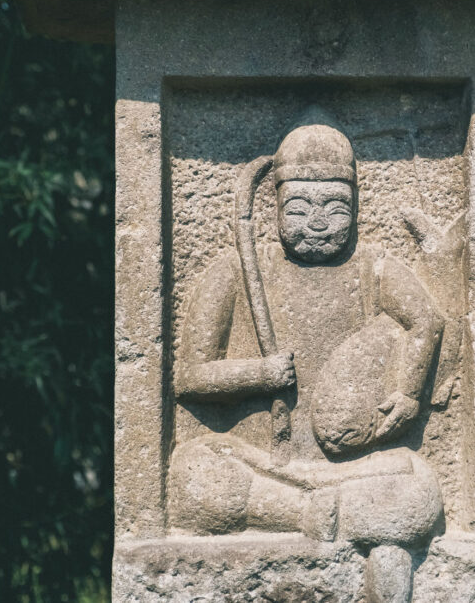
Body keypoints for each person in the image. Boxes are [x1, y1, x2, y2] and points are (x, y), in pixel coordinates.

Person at [168, 110, 444, 601]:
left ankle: (337, 513)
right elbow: (189, 377)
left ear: (356, 207)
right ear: (275, 206)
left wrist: (407, 392)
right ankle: (314, 516)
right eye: (298, 209)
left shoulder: (373, 267)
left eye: (335, 209)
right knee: (191, 471)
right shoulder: (236, 270)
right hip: (266, 466)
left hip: (353, 467)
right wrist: (260, 373)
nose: (317, 224)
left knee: (420, 489)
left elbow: (427, 320)